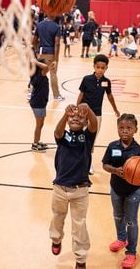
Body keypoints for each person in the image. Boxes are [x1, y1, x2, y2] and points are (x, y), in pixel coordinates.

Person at [49, 103, 98, 269]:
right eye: (72, 116)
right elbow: (57, 131)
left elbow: (94, 124)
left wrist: (88, 110)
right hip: (60, 188)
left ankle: (81, 259)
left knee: (79, 225)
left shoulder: (87, 137)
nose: (75, 118)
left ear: (85, 123)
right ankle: (56, 239)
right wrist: (65, 114)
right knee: (57, 217)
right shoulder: (63, 136)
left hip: (80, 190)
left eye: (80, 117)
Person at [102, 113, 140, 268]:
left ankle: (131, 253)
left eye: (129, 128)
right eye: (121, 128)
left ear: (135, 129)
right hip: (116, 189)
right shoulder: (112, 146)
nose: (125, 131)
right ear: (117, 129)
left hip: (133, 192)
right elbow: (105, 165)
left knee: (131, 221)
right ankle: (121, 239)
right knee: (117, 216)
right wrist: (116, 171)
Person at [77, 54, 120, 174]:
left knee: (91, 139)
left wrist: (115, 110)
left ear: (106, 68)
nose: (100, 69)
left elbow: (110, 96)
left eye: (103, 67)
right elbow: (81, 94)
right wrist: (76, 108)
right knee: (80, 137)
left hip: (97, 115)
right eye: (98, 67)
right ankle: (78, 161)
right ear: (94, 66)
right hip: (83, 114)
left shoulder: (106, 82)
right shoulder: (86, 79)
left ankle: (88, 164)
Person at [33, 14, 64, 101]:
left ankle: (31, 93)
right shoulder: (56, 26)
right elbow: (57, 43)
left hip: (41, 52)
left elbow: (34, 41)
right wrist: (56, 59)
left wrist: (36, 53)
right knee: (53, 74)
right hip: (51, 53)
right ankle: (56, 95)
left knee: (39, 74)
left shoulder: (39, 24)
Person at [29, 58, 54, 152]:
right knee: (39, 125)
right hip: (38, 103)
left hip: (39, 102)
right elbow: (46, 67)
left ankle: (37, 141)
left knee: (40, 124)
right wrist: (35, 62)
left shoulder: (38, 75)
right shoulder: (40, 75)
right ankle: (35, 144)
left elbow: (48, 67)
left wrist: (51, 65)